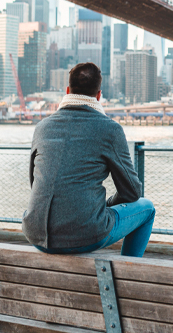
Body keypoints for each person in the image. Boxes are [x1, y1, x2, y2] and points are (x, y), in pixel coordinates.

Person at [22, 62, 155, 256]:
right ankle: (128, 272)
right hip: (84, 236)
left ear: (67, 91)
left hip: (36, 234)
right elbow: (132, 191)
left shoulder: (42, 127)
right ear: (99, 95)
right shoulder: (109, 129)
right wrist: (107, 204)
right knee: (147, 208)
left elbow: (35, 184)